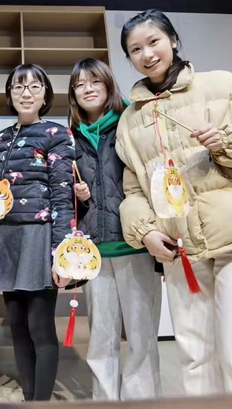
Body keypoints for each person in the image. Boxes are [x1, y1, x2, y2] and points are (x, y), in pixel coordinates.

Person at [116, 9, 232, 395]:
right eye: (135, 49)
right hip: (182, 251)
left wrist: (229, 140)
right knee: (197, 358)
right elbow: (133, 190)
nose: (147, 54)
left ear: (173, 40)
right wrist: (145, 231)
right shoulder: (130, 120)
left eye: (154, 41)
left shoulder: (221, 84)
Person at [0, 63, 75, 401]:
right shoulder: (0, 139)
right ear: (10, 95)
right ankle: (29, 395)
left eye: (34, 86)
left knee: (39, 326)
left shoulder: (57, 133)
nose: (26, 93)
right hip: (6, 236)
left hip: (39, 236)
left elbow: (62, 194)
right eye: (18, 87)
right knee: (17, 326)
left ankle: (40, 402)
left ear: (45, 94)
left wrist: (60, 251)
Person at [67, 58, 161, 400]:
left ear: (108, 85)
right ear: (73, 95)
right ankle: (105, 402)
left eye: (95, 81)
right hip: (93, 252)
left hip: (136, 245)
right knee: (101, 339)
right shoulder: (69, 138)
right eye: (80, 84)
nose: (88, 89)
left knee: (141, 337)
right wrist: (78, 197)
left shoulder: (130, 123)